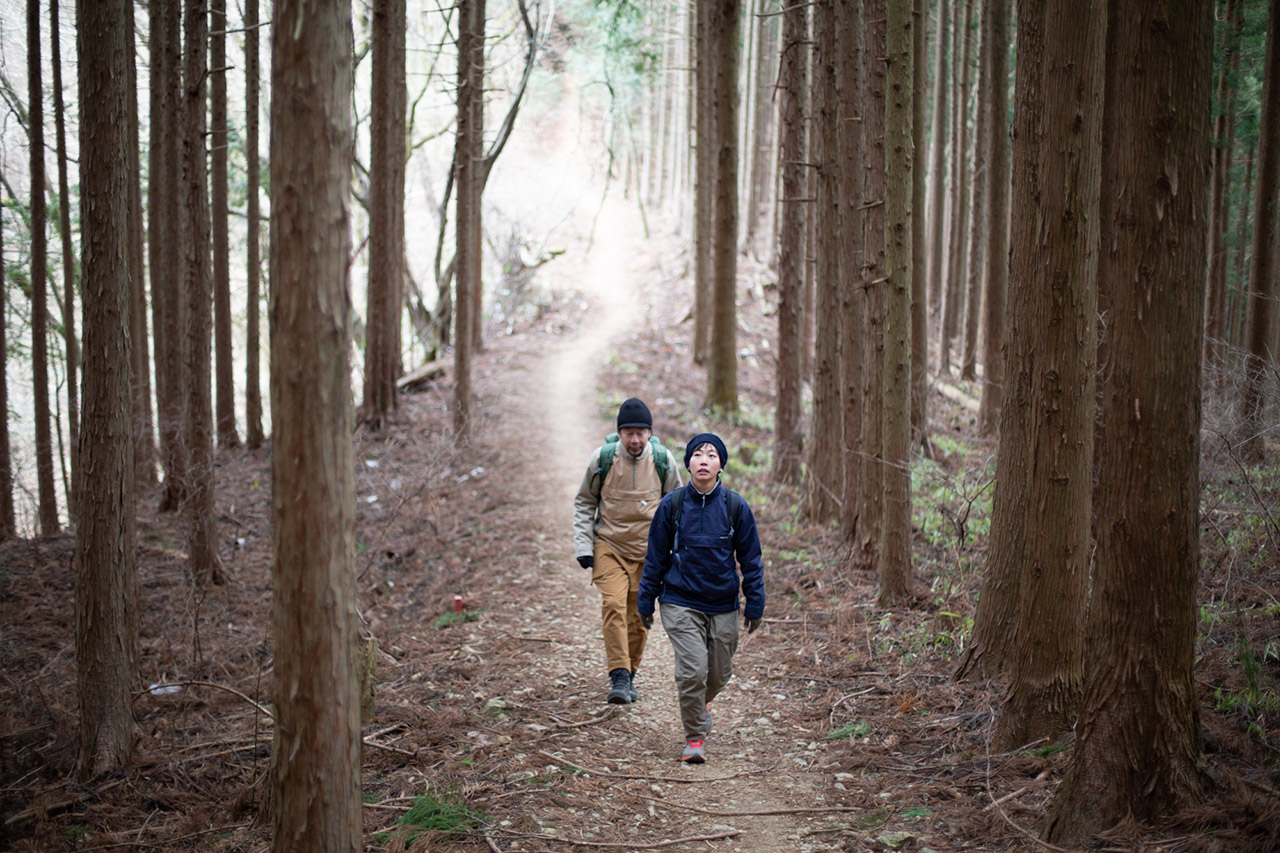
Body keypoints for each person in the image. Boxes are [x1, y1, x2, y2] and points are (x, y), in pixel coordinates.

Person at [637, 433, 765, 764]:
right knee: (693, 671)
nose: (704, 460)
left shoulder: (735, 507)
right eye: (697, 454)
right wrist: (646, 599)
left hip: (723, 603)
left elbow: (750, 560)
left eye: (711, 455)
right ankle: (695, 738)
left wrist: (755, 602)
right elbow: (655, 558)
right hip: (679, 600)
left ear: (721, 465)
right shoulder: (672, 505)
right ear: (688, 464)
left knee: (719, 672)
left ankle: (700, 703)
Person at [573, 398, 682, 704]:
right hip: (609, 545)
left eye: (640, 433)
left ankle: (630, 674)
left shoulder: (663, 460)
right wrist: (584, 546)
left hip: (649, 552)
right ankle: (619, 674)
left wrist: (676, 552)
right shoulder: (603, 459)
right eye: (629, 433)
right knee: (613, 604)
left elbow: (677, 508)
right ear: (619, 434)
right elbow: (584, 502)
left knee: (639, 614)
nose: (635, 440)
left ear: (650, 433)